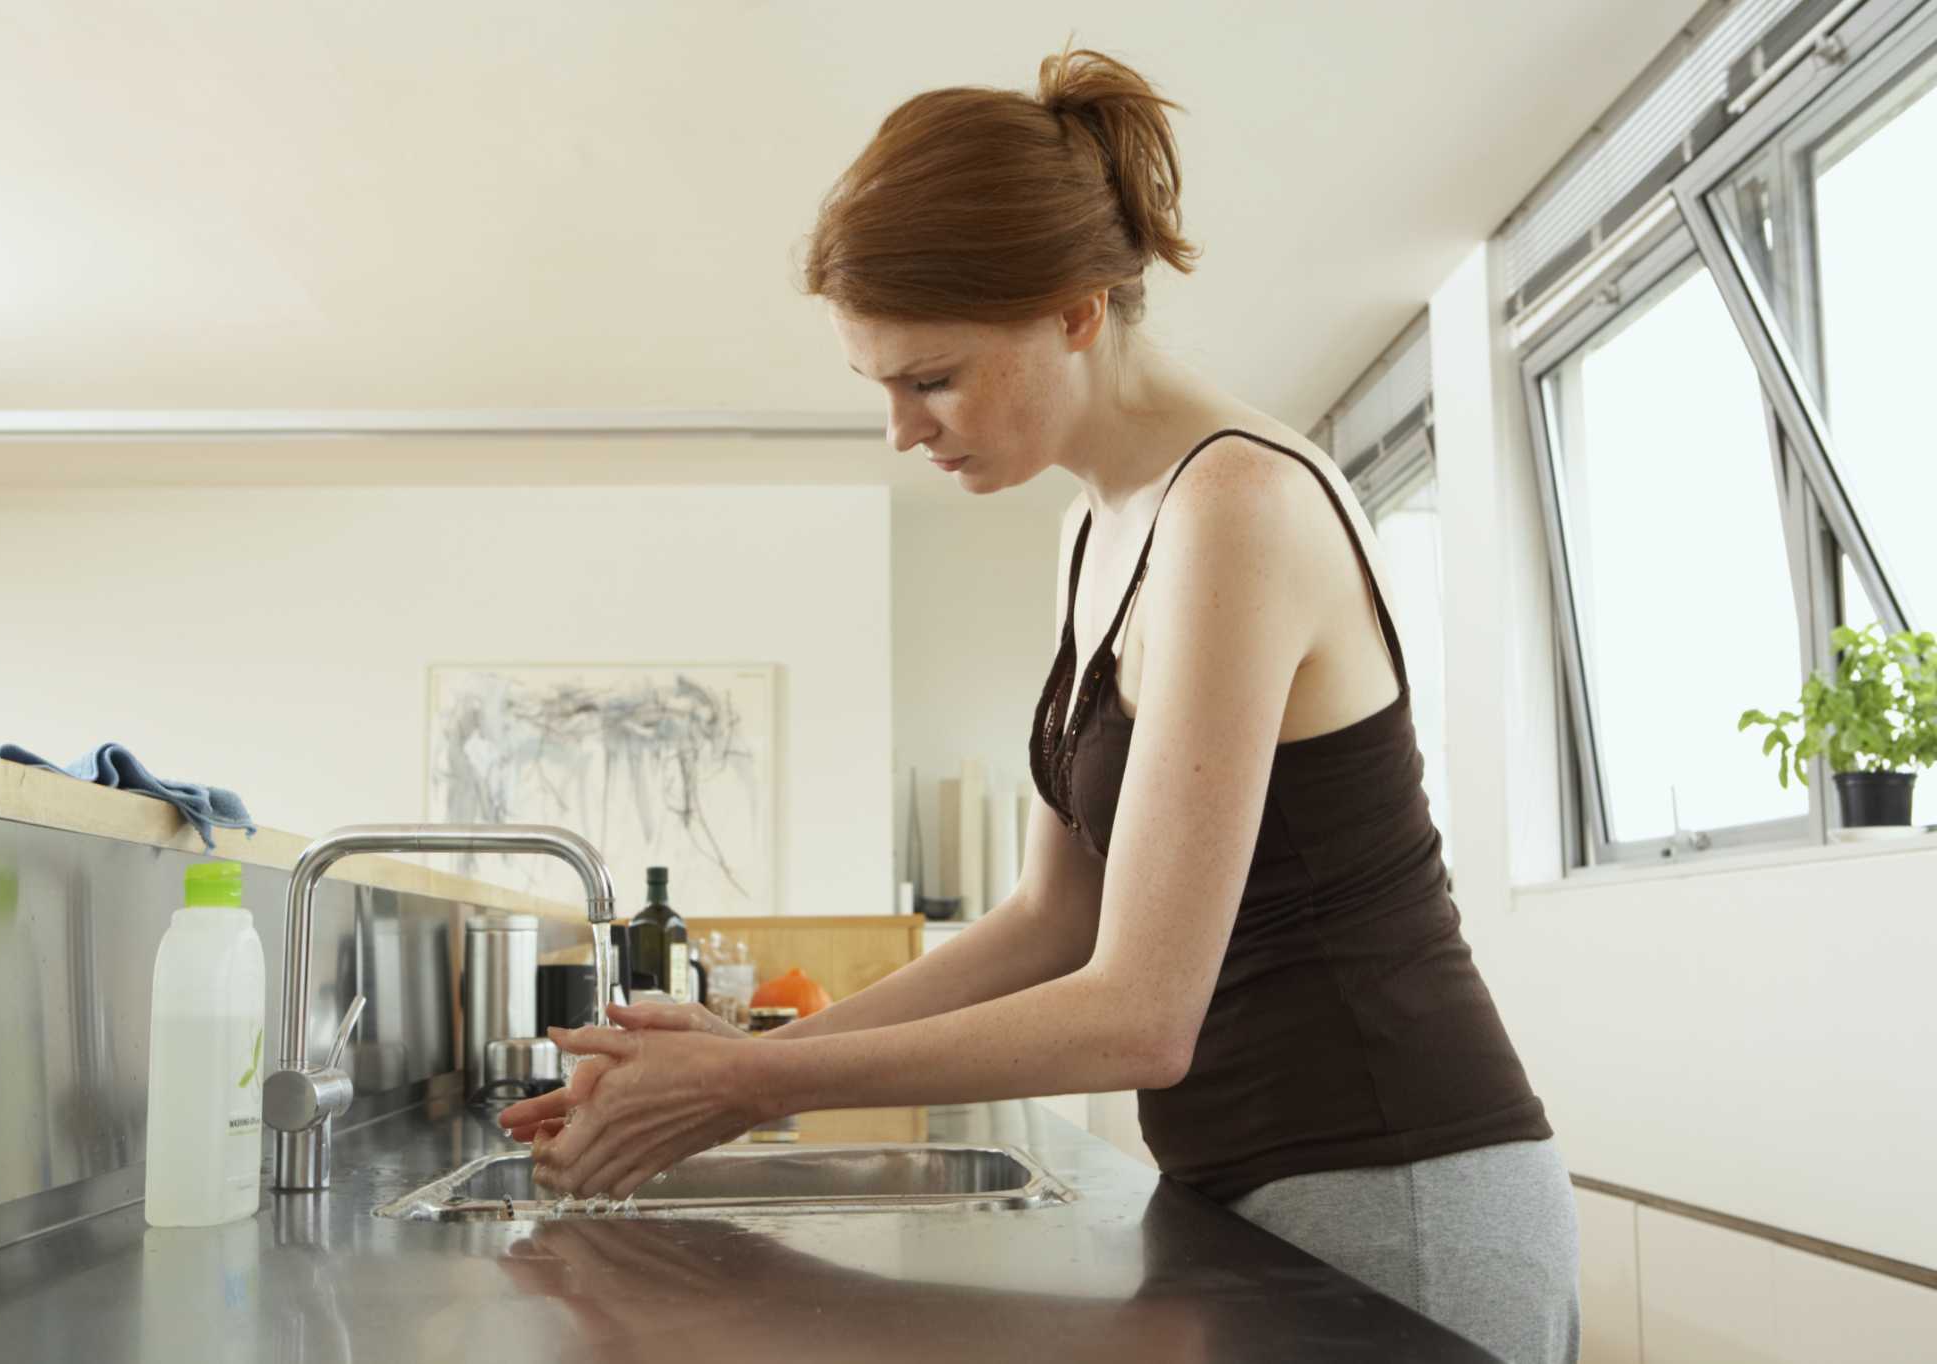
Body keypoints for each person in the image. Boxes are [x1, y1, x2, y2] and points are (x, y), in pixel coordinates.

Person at [500, 43, 1579, 1364]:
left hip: (1399, 1191)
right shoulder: (1093, 533)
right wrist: (737, 1065)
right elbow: (1050, 919)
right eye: (883, 387)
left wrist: (754, 1080)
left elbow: (1141, 1013)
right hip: (1245, 1190)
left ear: (1076, 311)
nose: (904, 429)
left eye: (932, 377)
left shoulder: (1238, 504)